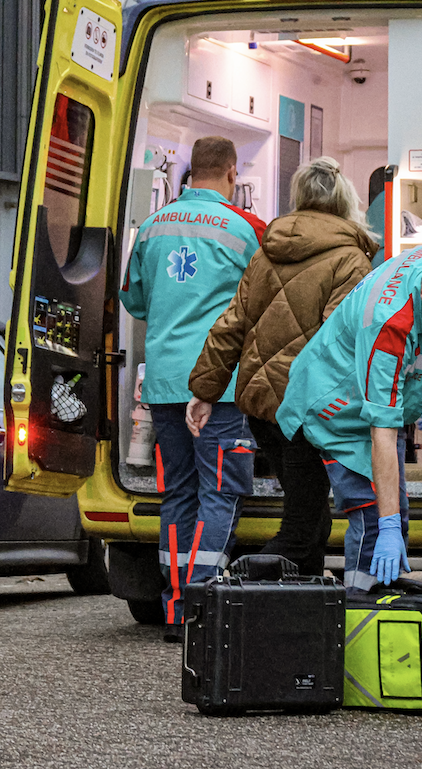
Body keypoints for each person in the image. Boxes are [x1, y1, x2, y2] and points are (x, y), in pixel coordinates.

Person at [186, 157, 378, 577]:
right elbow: (341, 344)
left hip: (260, 407)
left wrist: (205, 390)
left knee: (309, 512)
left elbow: (232, 322)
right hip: (309, 410)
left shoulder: (265, 252)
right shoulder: (351, 260)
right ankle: (232, 587)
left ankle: (301, 611)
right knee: (301, 524)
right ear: (347, 199)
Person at [119, 136, 267, 640]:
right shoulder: (246, 228)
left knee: (177, 491)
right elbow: (267, 302)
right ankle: (204, 603)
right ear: (231, 172)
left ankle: (178, 604)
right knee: (220, 490)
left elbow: (135, 302)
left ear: (188, 173)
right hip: (218, 385)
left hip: (163, 384)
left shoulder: (152, 227)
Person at [273, 246, 422, 592]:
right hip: (335, 409)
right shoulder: (390, 324)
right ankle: (361, 612)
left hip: (360, 400)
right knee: (375, 518)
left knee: (394, 516)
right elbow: (382, 434)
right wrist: (387, 526)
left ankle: (380, 602)